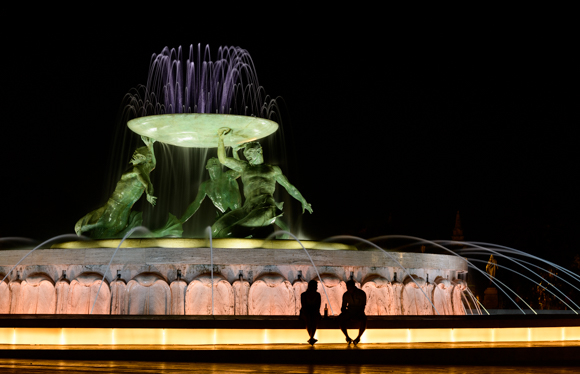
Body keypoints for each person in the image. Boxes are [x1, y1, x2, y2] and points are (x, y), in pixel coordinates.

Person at [211, 127, 312, 238]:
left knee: (230, 233)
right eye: (246, 154)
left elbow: (289, 187)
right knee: (216, 230)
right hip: (247, 208)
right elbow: (223, 160)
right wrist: (221, 139)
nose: (247, 156)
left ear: (260, 150)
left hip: (265, 207)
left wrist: (303, 201)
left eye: (250, 152)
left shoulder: (273, 169)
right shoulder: (244, 167)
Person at [75, 136, 158, 239]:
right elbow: (145, 181)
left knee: (119, 226)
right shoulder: (136, 169)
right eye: (135, 154)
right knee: (109, 222)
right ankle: (85, 230)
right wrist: (149, 193)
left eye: (137, 155)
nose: (133, 156)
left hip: (126, 207)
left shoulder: (145, 169)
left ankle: (96, 240)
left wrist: (151, 146)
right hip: (115, 204)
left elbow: (153, 164)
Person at [179, 157, 242, 224]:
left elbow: (241, 169)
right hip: (226, 217)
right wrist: (181, 221)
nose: (214, 160)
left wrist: (234, 151)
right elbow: (196, 203)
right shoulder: (205, 186)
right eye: (211, 160)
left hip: (239, 215)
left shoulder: (228, 176)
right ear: (207, 167)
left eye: (216, 160)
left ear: (220, 164)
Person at [339, 279, 367, 345]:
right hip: (350, 312)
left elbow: (363, 306)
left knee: (364, 319)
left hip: (359, 312)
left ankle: (358, 337)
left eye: (350, 288)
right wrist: (345, 313)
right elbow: (343, 306)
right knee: (340, 318)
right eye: (348, 288)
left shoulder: (361, 293)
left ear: (354, 287)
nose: (349, 290)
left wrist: (356, 315)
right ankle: (347, 337)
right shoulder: (346, 295)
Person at [300, 279, 321, 345]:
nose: (316, 288)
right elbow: (304, 306)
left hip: (314, 312)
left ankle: (311, 337)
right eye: (315, 286)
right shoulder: (304, 295)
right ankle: (311, 337)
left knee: (314, 319)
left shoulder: (317, 295)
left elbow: (318, 306)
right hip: (305, 312)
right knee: (308, 319)